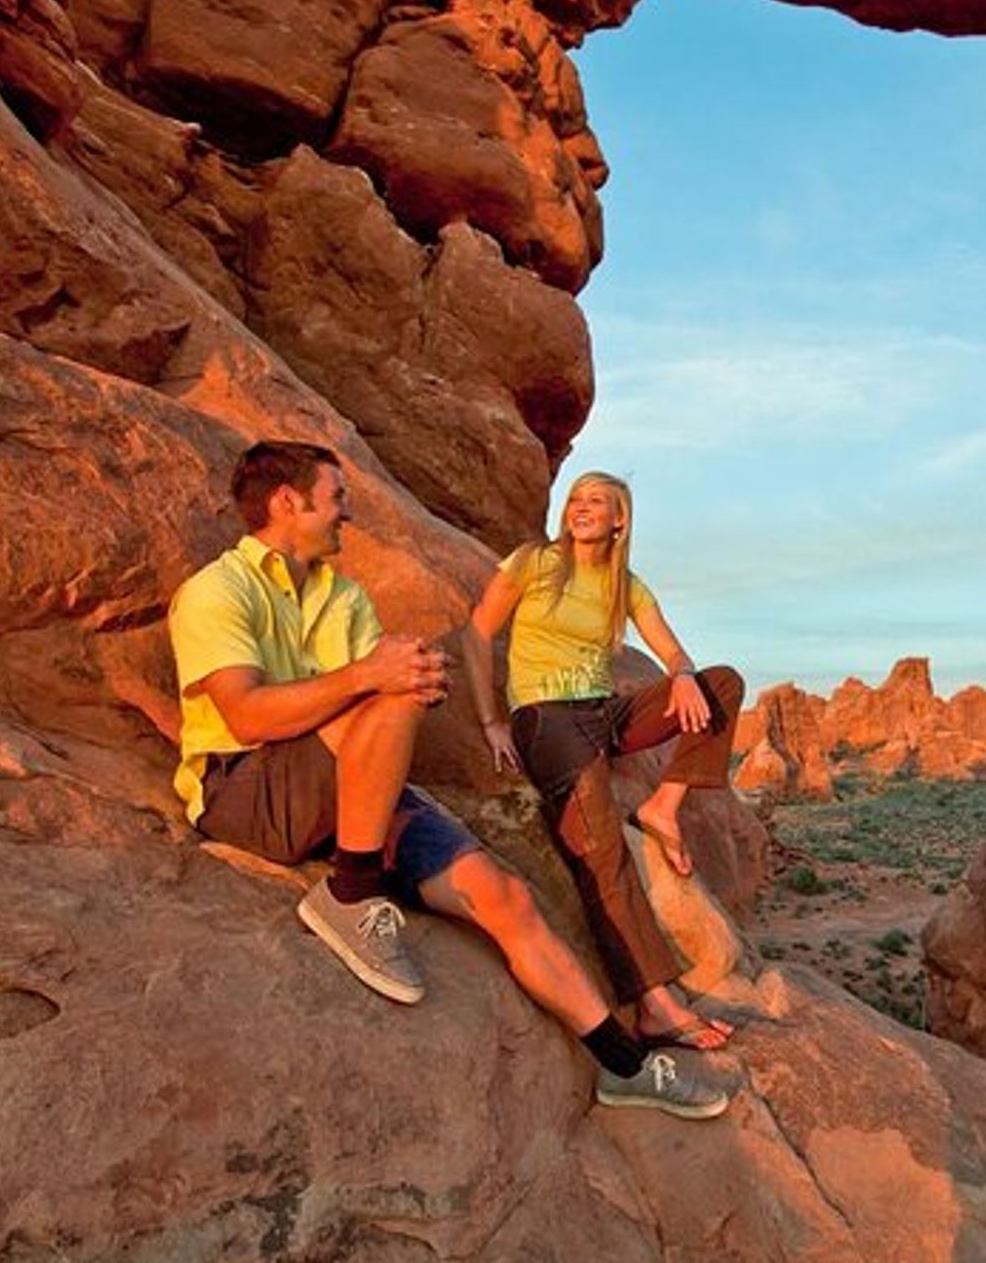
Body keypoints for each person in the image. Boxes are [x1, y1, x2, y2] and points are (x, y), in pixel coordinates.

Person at [167, 440, 730, 1119]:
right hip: (249, 788)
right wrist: (380, 682)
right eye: (335, 498)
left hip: (349, 788)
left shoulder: (342, 597)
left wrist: (395, 679)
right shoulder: (217, 590)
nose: (346, 514)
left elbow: (364, 709)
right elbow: (246, 714)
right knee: (392, 686)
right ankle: (350, 893)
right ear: (289, 503)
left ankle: (624, 1063)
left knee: (507, 896)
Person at [462, 471, 745, 1052]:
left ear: (620, 519)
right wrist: (492, 719)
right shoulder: (533, 562)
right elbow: (476, 633)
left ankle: (662, 807)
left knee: (723, 685)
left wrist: (684, 676)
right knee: (603, 854)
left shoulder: (625, 584)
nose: (581, 507)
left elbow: (670, 648)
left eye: (596, 500)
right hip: (546, 718)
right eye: (576, 499)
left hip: (602, 713)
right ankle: (655, 1005)